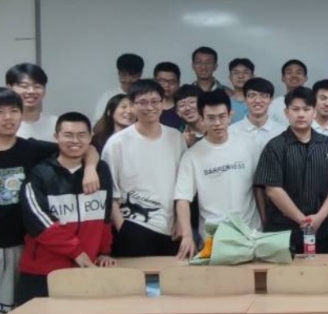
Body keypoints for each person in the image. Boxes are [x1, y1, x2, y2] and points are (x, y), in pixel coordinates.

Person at [0, 88, 97, 314]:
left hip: (17, 248)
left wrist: (91, 169)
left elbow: (85, 147)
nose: (8, 117)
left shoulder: (33, 150)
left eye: (14, 111)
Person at [18, 112, 115, 305]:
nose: (75, 141)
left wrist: (104, 251)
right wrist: (76, 251)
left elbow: (105, 216)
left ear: (90, 138)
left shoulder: (100, 170)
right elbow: (39, 223)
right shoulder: (40, 173)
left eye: (82, 135)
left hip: (86, 268)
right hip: (43, 271)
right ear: (56, 137)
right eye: (68, 135)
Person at [253, 87, 328, 255]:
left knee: (320, 271)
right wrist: (302, 220)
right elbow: (273, 190)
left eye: (306, 109)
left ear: (314, 112)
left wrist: (319, 218)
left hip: (321, 228)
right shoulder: (275, 146)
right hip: (283, 230)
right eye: (295, 109)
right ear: (286, 112)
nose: (301, 114)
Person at [102, 79, 191, 259]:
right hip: (133, 225)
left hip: (171, 228)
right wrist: (123, 228)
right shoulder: (117, 143)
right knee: (134, 277)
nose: (149, 107)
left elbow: (182, 184)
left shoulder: (175, 137)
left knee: (170, 276)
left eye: (155, 101)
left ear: (163, 103)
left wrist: (180, 222)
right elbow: (108, 190)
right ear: (132, 105)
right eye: (142, 102)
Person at [174, 90, 262, 234]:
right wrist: (187, 236)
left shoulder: (249, 145)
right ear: (202, 119)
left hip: (251, 231)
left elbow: (260, 188)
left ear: (230, 115)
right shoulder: (192, 156)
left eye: (222, 116)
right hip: (213, 234)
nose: (217, 123)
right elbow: (183, 198)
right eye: (211, 118)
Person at [0, 63, 57, 142]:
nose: (31, 91)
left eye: (37, 86)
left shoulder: (56, 123)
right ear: (10, 88)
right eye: (24, 86)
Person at [228, 77, 283, 154]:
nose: (257, 100)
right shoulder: (232, 131)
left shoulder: (281, 132)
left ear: (271, 99)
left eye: (263, 96)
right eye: (252, 95)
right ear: (245, 98)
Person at [93, 53, 144, 120]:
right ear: (118, 74)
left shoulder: (145, 96)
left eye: (132, 75)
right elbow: (98, 121)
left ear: (140, 75)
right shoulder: (108, 96)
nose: (128, 80)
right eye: (124, 75)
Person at [154, 61, 183, 130]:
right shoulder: (146, 107)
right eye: (162, 81)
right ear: (154, 81)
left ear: (178, 83)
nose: (166, 85)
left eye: (171, 81)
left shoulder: (183, 109)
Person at [226, 58, 254, 124]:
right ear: (230, 77)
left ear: (253, 77)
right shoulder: (224, 103)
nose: (240, 76)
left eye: (245, 72)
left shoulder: (260, 102)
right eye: (236, 73)